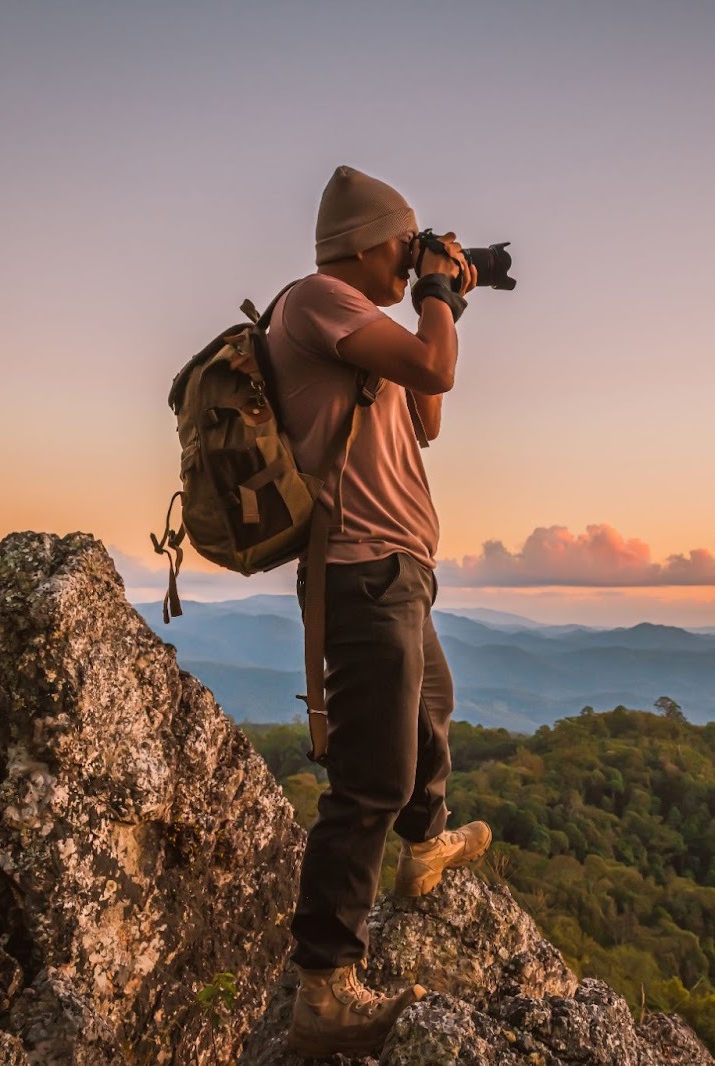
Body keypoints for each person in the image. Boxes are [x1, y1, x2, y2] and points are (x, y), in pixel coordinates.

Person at [265, 164, 492, 1057]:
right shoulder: (316, 300)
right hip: (361, 570)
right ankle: (324, 987)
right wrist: (432, 296)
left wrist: (447, 301)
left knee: (432, 709)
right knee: (370, 782)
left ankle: (426, 848)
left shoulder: (364, 330)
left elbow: (428, 411)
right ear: (363, 245)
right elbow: (435, 364)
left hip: (401, 567)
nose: (410, 259)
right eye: (403, 245)